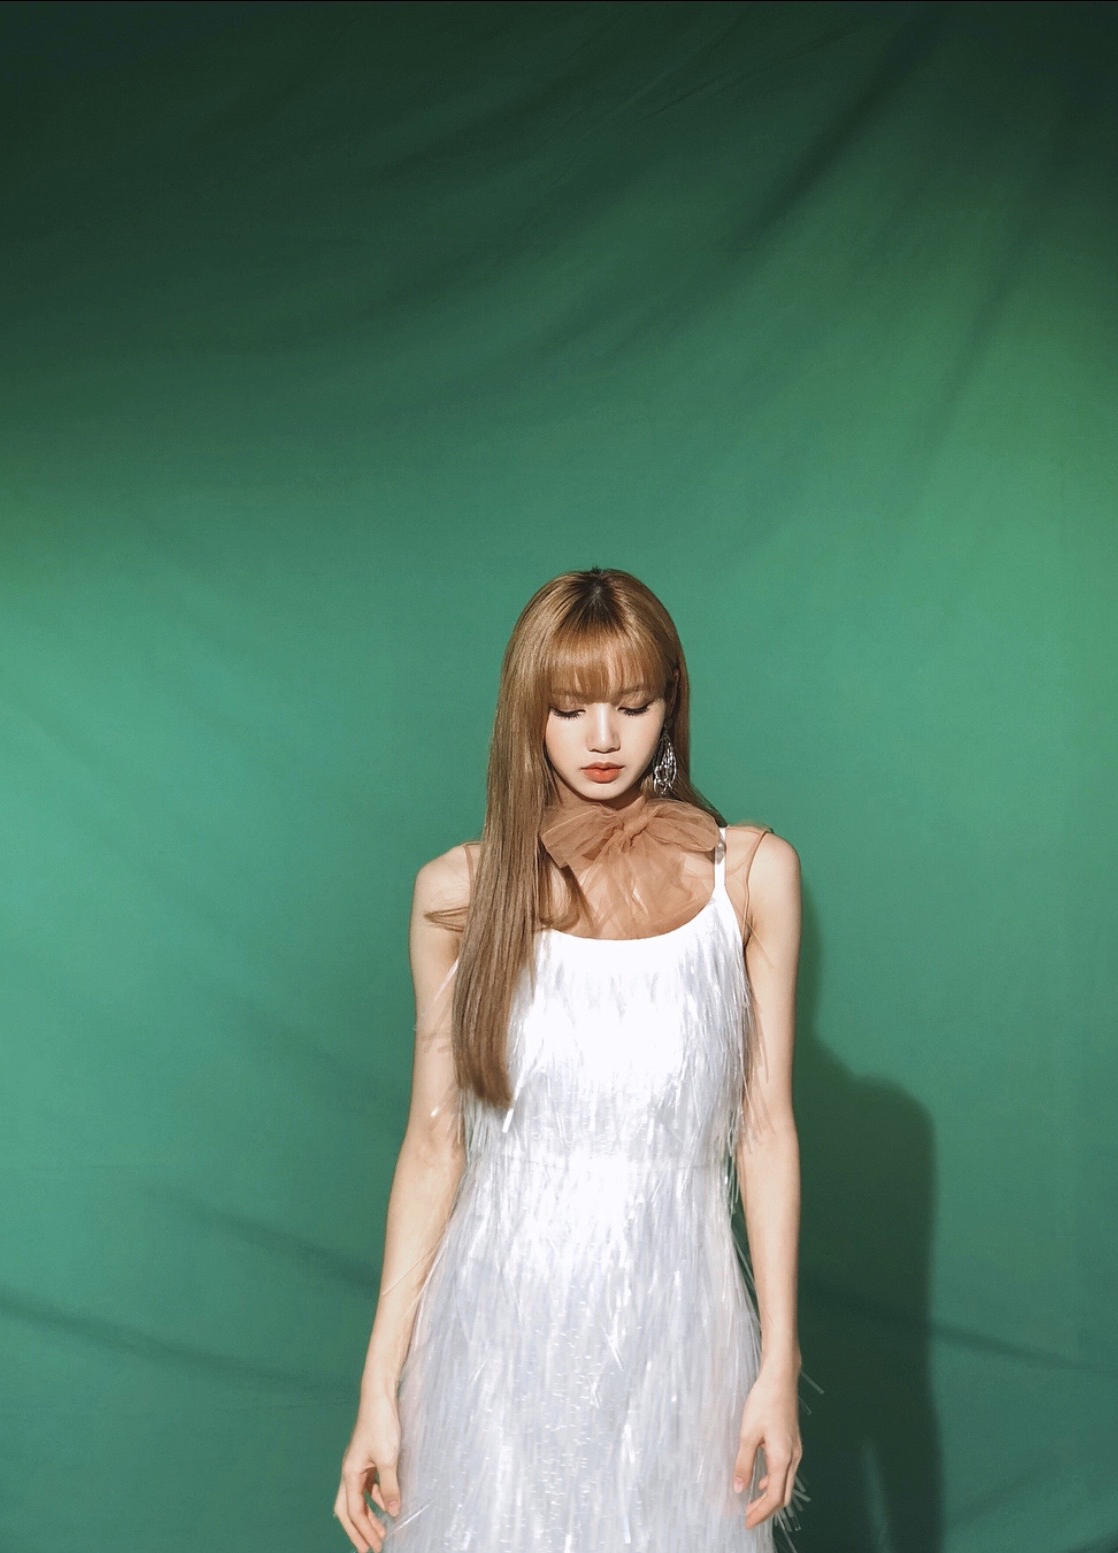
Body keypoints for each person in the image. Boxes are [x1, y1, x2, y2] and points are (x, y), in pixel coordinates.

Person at [334, 566, 818, 1553]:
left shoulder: (750, 877)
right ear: (529, 713)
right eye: (569, 707)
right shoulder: (459, 893)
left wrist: (778, 1361)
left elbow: (765, 1130)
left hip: (678, 1332)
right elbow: (433, 1146)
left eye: (632, 705)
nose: (603, 737)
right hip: (495, 1336)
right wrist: (378, 1384)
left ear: (671, 703)